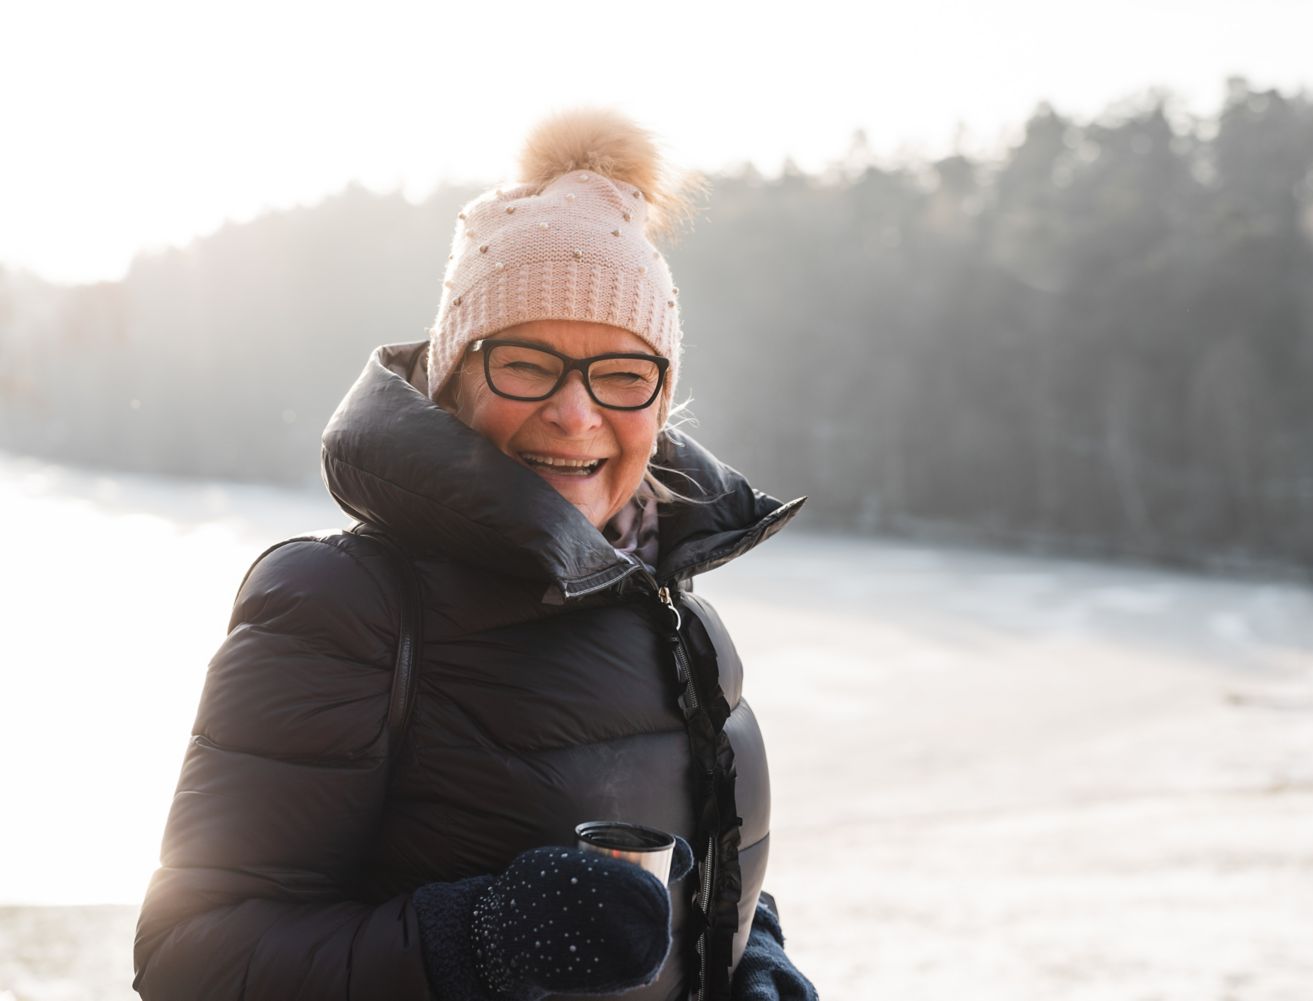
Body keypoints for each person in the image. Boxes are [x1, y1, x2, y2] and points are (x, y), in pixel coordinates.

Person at [133, 108, 818, 1001]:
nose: (577, 414)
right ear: (455, 381)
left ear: (659, 397)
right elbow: (191, 957)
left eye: (622, 371)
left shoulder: (676, 614)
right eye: (527, 363)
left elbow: (682, 871)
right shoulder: (343, 606)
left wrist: (748, 954)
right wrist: (482, 935)